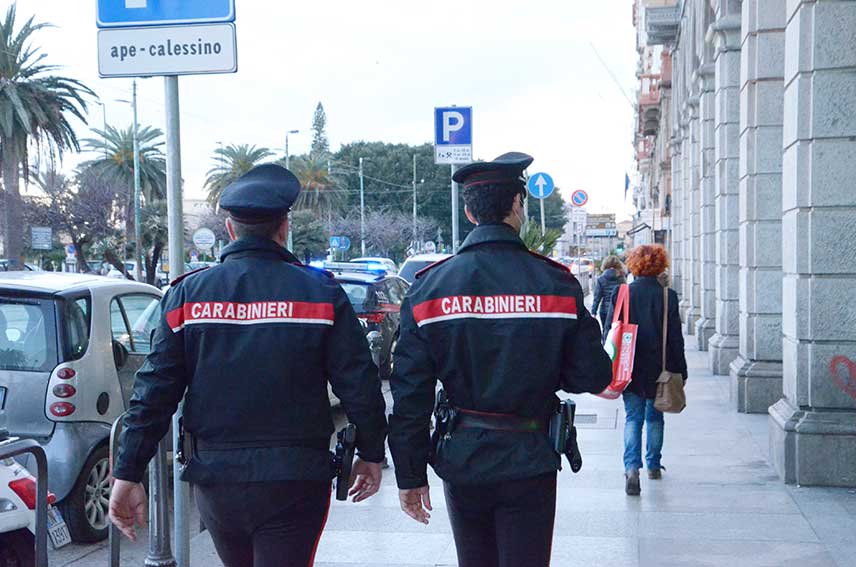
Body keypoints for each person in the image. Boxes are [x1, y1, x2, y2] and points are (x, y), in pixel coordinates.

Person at [109, 164, 388, 567]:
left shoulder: (188, 296)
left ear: (229, 229)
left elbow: (153, 392)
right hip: (295, 480)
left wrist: (126, 471)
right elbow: (359, 382)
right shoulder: (321, 294)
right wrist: (372, 451)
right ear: (284, 227)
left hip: (216, 483)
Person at [388, 152, 612, 567]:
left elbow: (409, 395)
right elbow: (593, 374)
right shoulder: (557, 284)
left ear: (470, 213)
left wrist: (410, 474)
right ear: (516, 206)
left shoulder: (429, 290)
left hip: (463, 455)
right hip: (531, 453)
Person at [605, 244, 687, 496]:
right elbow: (675, 338)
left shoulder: (622, 293)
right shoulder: (668, 296)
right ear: (660, 265)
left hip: (628, 368)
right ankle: (653, 465)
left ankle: (631, 468)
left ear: (633, 264)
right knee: (654, 417)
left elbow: (610, 329)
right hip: (659, 368)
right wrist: (680, 370)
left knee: (633, 418)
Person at [591, 255, 626, 343]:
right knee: (617, 331)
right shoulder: (621, 278)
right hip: (618, 309)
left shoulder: (601, 279)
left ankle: (606, 349)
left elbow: (597, 297)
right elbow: (625, 294)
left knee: (605, 330)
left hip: (604, 310)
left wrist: (593, 311)